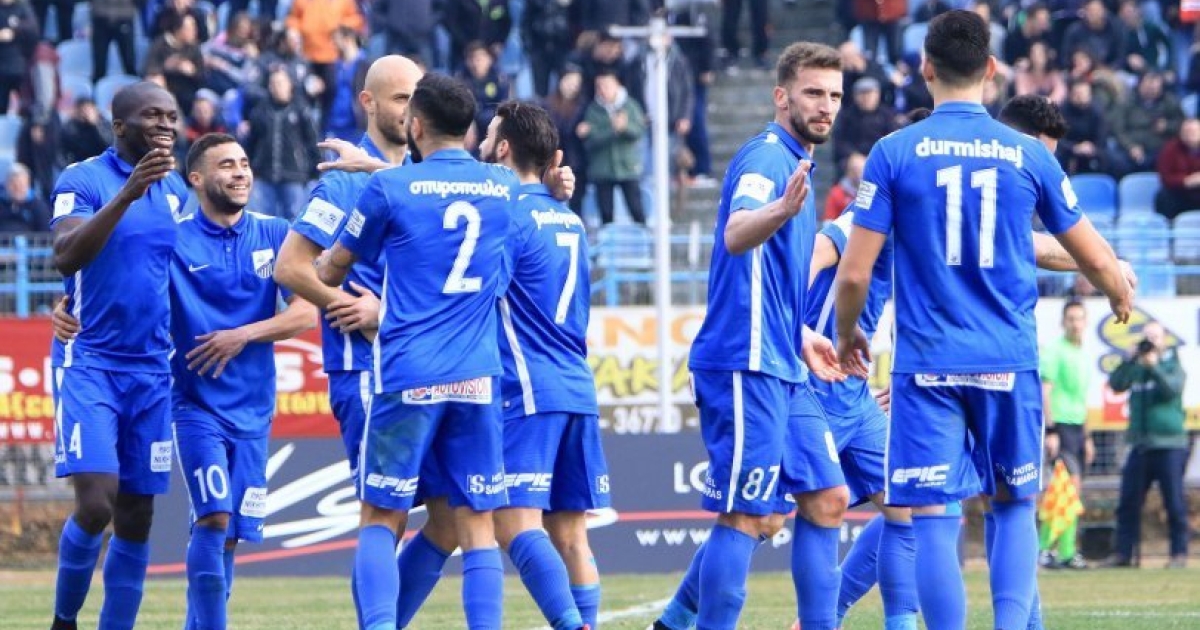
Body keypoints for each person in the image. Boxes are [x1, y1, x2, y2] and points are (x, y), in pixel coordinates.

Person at [832, 12, 1132, 630]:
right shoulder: (1027, 154)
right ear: (992, 69)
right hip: (1006, 359)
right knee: (1013, 506)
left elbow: (855, 274)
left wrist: (846, 331)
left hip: (927, 365)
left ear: (925, 68)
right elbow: (1092, 253)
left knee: (933, 518)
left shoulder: (892, 152)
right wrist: (1117, 293)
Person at [51, 132, 317, 630]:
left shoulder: (276, 233)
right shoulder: (173, 239)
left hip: (255, 409)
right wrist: (66, 305)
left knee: (230, 536)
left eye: (244, 163)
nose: (240, 172)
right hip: (194, 404)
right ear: (196, 179)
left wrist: (242, 335)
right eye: (226, 165)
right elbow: (120, 277)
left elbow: (306, 312)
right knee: (214, 518)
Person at [651, 42, 849, 630]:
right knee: (747, 515)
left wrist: (801, 335)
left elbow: (772, 277)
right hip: (745, 361)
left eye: (835, 95)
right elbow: (737, 233)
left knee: (827, 498)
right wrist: (781, 211)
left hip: (783, 359)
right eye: (814, 93)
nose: (826, 106)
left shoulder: (799, 163)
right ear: (782, 96)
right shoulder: (767, 158)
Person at [386, 100, 605, 630]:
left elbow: (480, 291)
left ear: (503, 149)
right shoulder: (569, 217)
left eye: (486, 138)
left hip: (525, 387)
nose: (478, 146)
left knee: (509, 523)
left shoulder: (505, 215)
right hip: (575, 387)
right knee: (566, 535)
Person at [314, 73, 516, 630]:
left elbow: (332, 268)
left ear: (416, 125)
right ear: (469, 129)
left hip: (408, 373)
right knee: (477, 525)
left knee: (382, 516)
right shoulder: (503, 185)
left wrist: (326, 265)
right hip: (477, 376)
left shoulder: (389, 190)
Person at [273, 54, 422, 627]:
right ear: (368, 102)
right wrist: (345, 304)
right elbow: (290, 267)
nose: (410, 110)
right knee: (385, 515)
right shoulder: (344, 182)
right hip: (366, 368)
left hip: (421, 367)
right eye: (401, 98)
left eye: (416, 99)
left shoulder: (418, 176)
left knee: (452, 515)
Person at [47, 81, 189, 630]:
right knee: (96, 503)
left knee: (136, 514)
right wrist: (128, 193)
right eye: (153, 115)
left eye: (171, 116)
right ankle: (64, 620)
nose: (166, 125)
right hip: (91, 363)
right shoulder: (82, 179)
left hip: (152, 371)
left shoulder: (175, 191)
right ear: (121, 125)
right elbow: (65, 255)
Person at [1105, 321, 1190, 569]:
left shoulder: (1172, 364)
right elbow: (1116, 385)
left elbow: (1172, 390)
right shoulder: (1137, 367)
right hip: (1140, 445)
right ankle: (1123, 554)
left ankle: (1179, 554)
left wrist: (1155, 367)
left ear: (1164, 340)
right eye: (1147, 337)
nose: (1151, 342)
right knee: (1128, 502)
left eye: (1155, 337)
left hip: (1169, 445)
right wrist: (1128, 360)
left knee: (1174, 502)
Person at [1038, 299, 1093, 570]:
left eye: (1079, 318)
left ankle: (1066, 551)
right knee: (1064, 489)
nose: (1075, 323)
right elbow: (1045, 391)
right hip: (1060, 426)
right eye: (1070, 318)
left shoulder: (1083, 354)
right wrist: (1051, 430)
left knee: (1072, 491)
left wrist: (1088, 436)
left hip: (1077, 427)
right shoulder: (1054, 351)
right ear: (1063, 322)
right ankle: (1046, 549)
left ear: (1085, 322)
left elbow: (1082, 399)